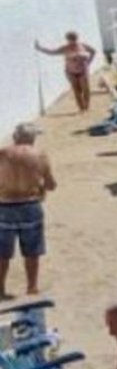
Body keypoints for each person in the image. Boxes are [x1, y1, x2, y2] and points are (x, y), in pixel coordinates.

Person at [0, 124, 56, 299]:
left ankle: (0, 290)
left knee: (2, 253)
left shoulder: (3, 153)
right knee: (32, 251)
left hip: (5, 206)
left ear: (15, 137)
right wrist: (40, 187)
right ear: (32, 138)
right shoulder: (40, 155)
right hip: (30, 205)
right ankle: (32, 287)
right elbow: (51, 184)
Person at [34, 32, 98, 114]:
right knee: (76, 90)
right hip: (71, 72)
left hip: (83, 71)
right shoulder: (65, 48)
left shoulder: (82, 46)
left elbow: (93, 51)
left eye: (74, 39)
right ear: (68, 40)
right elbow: (52, 52)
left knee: (85, 89)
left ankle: (86, 106)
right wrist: (40, 48)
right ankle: (82, 108)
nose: (73, 42)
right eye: (71, 40)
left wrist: (89, 61)